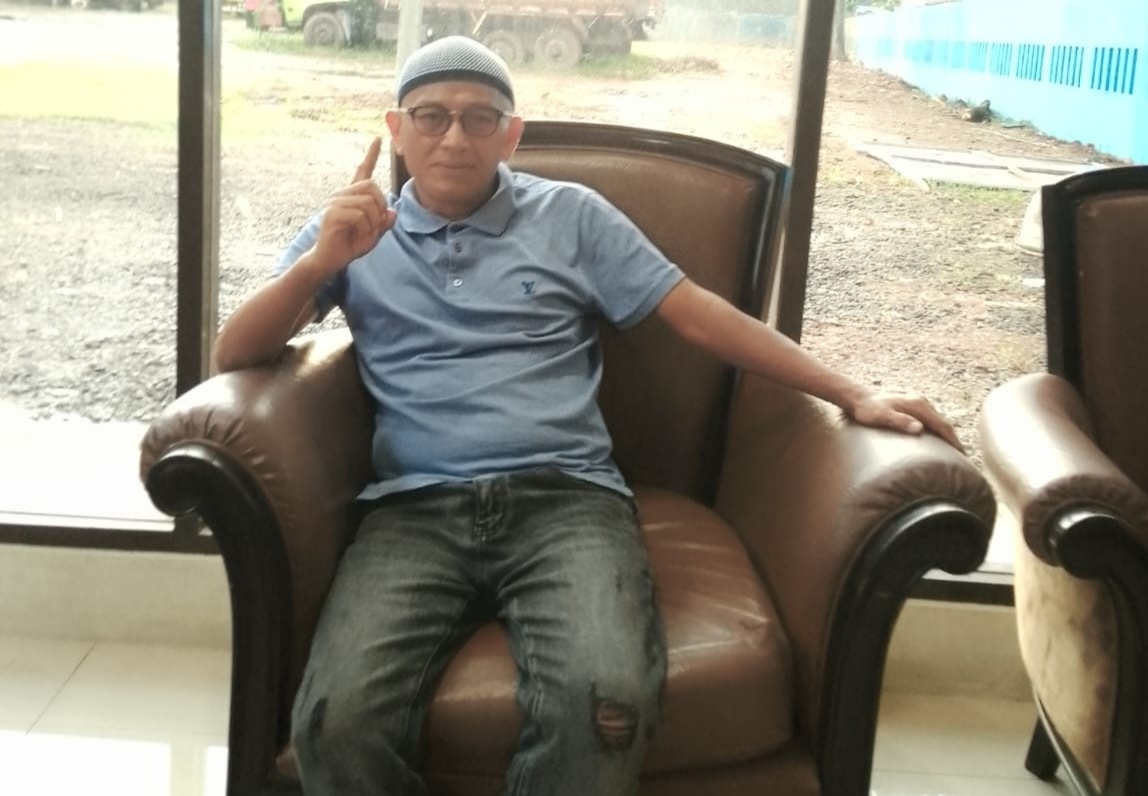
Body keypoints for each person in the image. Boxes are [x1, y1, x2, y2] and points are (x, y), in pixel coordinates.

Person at [213, 36, 961, 796]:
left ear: (512, 134)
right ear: (396, 129)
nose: (454, 137)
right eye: (430, 116)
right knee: (335, 727)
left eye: (480, 118)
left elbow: (699, 315)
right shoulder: (350, 231)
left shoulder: (569, 216)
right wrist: (320, 264)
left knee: (604, 711)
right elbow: (234, 354)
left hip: (566, 501)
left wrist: (850, 392)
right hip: (412, 509)